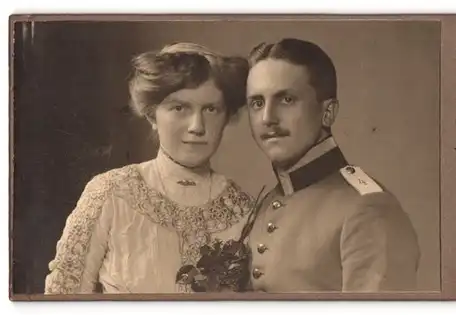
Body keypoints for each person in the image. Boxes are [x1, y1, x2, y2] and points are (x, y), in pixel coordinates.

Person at [44, 42, 255, 294]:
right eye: (179, 108)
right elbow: (62, 296)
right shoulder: (111, 193)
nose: (197, 126)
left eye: (211, 109)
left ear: (226, 116)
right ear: (152, 115)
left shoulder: (243, 209)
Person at [245, 38, 420, 292]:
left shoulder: (368, 207)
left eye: (286, 100)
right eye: (257, 103)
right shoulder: (268, 202)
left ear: (327, 112)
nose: (267, 118)